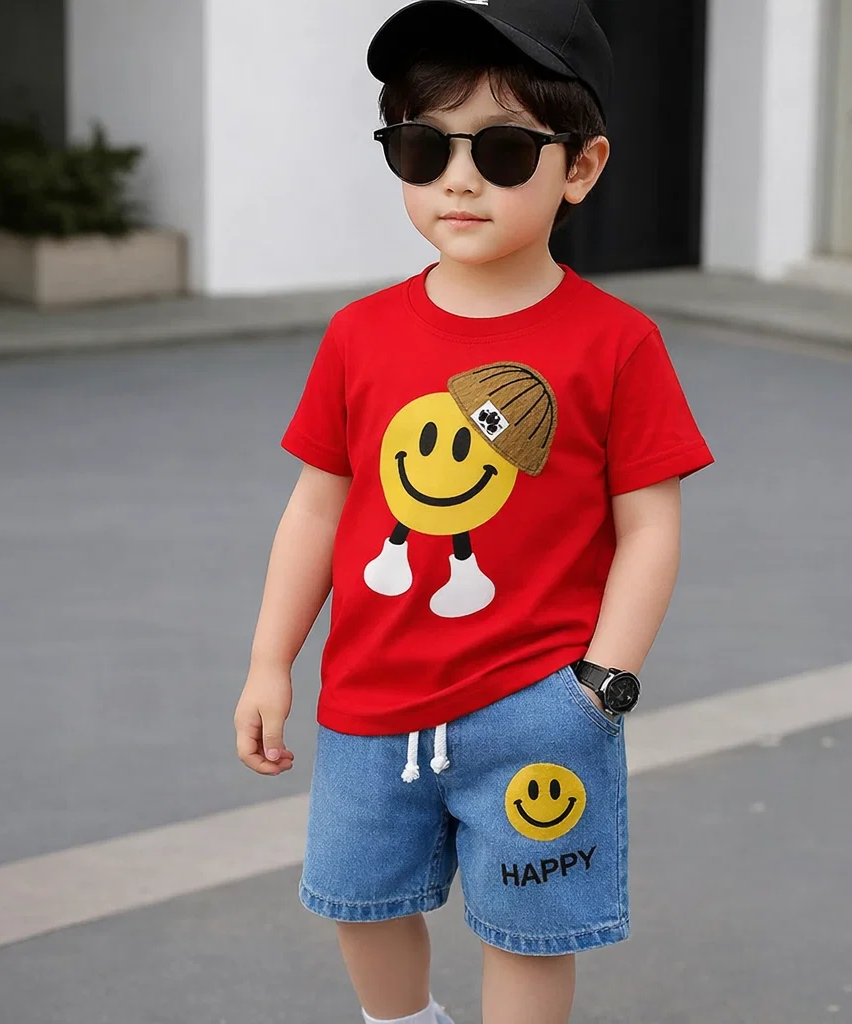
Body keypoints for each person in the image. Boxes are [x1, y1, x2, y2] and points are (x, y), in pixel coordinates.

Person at [234, 2, 714, 1022]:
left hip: (540, 707)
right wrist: (271, 659)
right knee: (359, 901)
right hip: (369, 702)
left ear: (580, 167)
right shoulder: (360, 334)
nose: (457, 178)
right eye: (423, 146)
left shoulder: (616, 342)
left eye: (501, 150)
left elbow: (650, 526)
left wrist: (601, 684)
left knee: (531, 930)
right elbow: (317, 509)